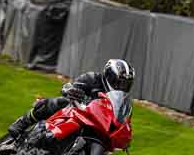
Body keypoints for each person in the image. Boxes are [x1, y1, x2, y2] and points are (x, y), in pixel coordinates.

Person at [7, 59, 135, 139]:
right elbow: (68, 87)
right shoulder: (92, 78)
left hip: (96, 124)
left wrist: (124, 132)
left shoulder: (120, 100)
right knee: (59, 102)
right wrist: (71, 90)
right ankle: (23, 122)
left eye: (125, 84)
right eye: (118, 82)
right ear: (108, 75)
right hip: (74, 112)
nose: (120, 86)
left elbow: (122, 119)